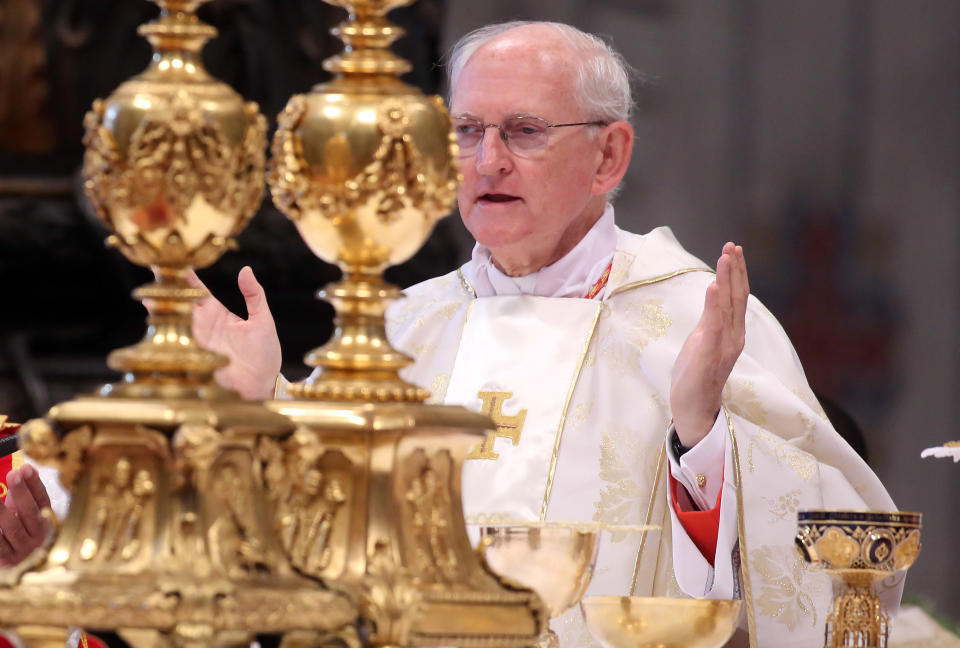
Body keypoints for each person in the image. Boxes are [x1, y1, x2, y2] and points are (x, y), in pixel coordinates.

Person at [5, 21, 898, 648]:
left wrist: (701, 438)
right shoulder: (405, 328)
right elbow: (310, 558)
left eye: (523, 132)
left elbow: (830, 561)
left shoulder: (695, 319)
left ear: (610, 155)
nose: (486, 162)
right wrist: (261, 409)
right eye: (467, 131)